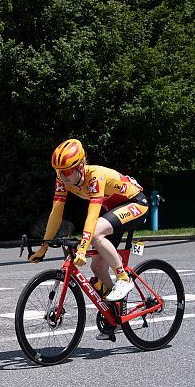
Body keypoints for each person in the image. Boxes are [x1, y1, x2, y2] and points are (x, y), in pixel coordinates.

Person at [28, 139, 149, 339]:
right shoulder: (64, 180)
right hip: (114, 211)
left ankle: (123, 278)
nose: (61, 177)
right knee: (97, 268)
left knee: (96, 231)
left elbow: (92, 216)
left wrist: (83, 248)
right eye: (58, 171)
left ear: (80, 166)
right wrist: (44, 248)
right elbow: (56, 213)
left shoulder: (94, 176)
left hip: (135, 203)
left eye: (66, 172)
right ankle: (118, 311)